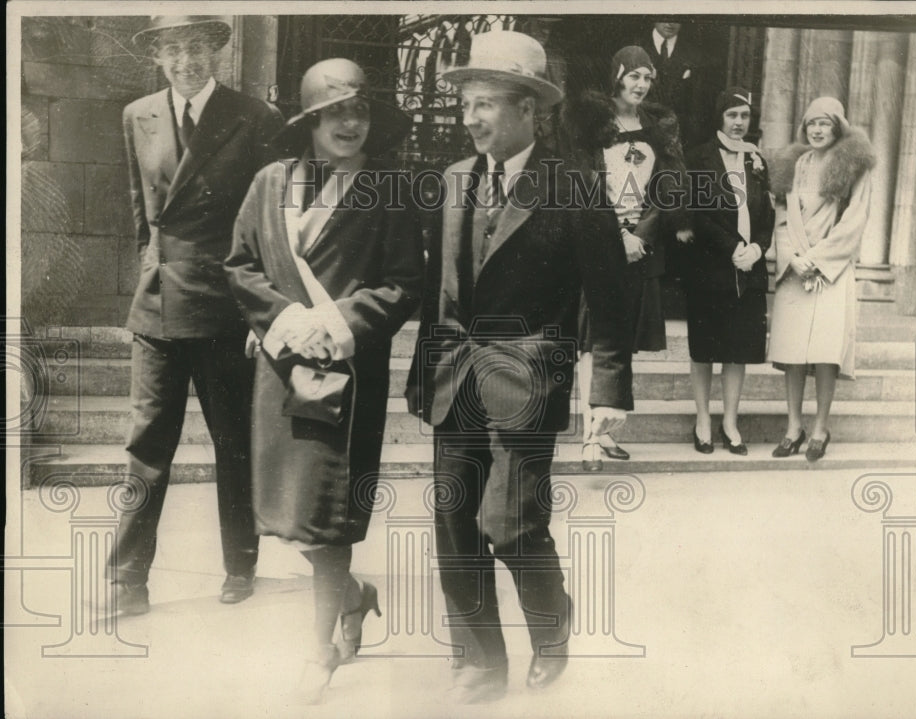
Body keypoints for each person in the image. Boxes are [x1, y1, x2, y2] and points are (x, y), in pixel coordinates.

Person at [405, 30, 633, 703]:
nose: (470, 118)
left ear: (530, 108)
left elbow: (610, 293)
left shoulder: (573, 185)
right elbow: (436, 288)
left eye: (486, 105)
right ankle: (478, 659)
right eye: (466, 104)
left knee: (509, 521)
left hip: (528, 373)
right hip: (454, 374)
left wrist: (609, 390)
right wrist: (426, 374)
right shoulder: (452, 182)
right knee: (453, 519)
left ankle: (551, 622)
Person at [225, 58, 422, 703]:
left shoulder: (387, 189)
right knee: (285, 512)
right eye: (335, 112)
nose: (350, 123)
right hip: (281, 369)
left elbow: (401, 284)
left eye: (359, 111)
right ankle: (355, 594)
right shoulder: (268, 183)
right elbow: (241, 266)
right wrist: (284, 319)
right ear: (309, 121)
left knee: (327, 516)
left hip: (345, 374)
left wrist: (337, 323)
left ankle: (320, 653)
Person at [107, 15, 284, 614]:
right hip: (157, 306)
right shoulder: (139, 115)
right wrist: (150, 274)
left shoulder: (256, 118)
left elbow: (269, 225)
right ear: (158, 56)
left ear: (217, 51)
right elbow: (142, 213)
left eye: (197, 48)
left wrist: (264, 314)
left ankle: (241, 564)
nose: (186, 61)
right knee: (146, 445)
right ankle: (128, 579)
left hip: (225, 306)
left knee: (233, 443)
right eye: (173, 49)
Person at [561, 45, 691, 470]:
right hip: (597, 244)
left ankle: (607, 432)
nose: (640, 85)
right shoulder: (590, 125)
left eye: (647, 78)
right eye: (633, 76)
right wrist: (616, 233)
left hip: (639, 248)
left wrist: (640, 235)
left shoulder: (658, 130)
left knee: (622, 340)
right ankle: (589, 437)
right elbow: (580, 187)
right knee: (593, 340)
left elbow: (669, 189)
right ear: (616, 77)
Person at [767, 97, 875, 462]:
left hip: (831, 271)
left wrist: (815, 261)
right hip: (795, 269)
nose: (816, 130)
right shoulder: (794, 166)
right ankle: (793, 427)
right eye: (811, 123)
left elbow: (854, 223)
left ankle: (819, 428)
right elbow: (782, 219)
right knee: (793, 352)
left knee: (825, 353)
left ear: (838, 127)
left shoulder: (855, 167)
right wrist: (793, 260)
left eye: (824, 124)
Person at [683, 88, 775, 455]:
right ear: (720, 118)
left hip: (748, 268)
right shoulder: (700, 158)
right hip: (710, 268)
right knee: (705, 349)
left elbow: (766, 215)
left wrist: (758, 248)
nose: (739, 123)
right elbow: (699, 213)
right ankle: (703, 418)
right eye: (732, 116)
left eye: (744, 116)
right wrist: (733, 246)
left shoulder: (758, 160)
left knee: (737, 349)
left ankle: (730, 422)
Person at [637, 20, 718, 149]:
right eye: (665, 15)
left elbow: (698, 108)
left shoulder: (695, 55)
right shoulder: (636, 48)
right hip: (641, 134)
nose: (670, 23)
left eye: (676, 17)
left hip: (680, 140)